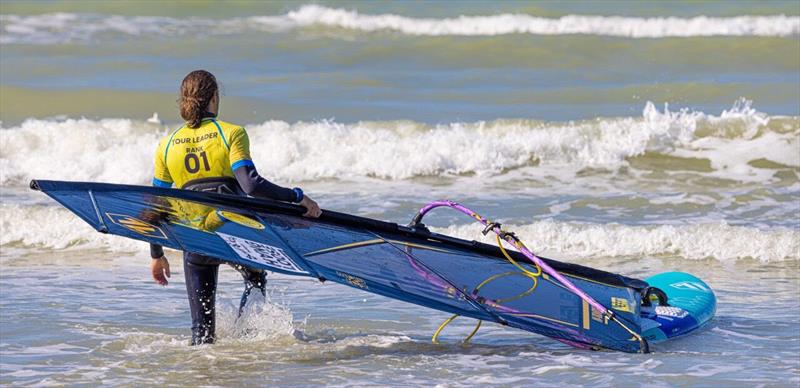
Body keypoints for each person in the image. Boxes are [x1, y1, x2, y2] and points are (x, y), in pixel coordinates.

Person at [148, 70, 321, 345]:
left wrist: (156, 255)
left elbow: (157, 203)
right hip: (232, 233)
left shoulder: (166, 145)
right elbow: (251, 185)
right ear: (214, 98)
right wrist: (297, 196)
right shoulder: (231, 133)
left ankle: (205, 375)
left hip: (196, 241)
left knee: (201, 335)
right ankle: (245, 343)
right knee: (255, 277)